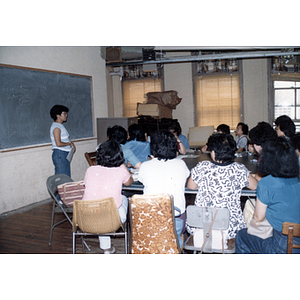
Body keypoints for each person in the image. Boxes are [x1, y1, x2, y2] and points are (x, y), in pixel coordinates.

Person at [186, 133, 258, 242]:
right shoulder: (239, 169)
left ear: (213, 153)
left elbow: (191, 187)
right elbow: (255, 186)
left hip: (201, 226)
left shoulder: (202, 166)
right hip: (230, 228)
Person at [235, 137, 300, 253]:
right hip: (297, 244)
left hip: (280, 246)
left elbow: (258, 217)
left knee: (241, 236)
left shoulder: (266, 183)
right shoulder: (296, 180)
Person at [138, 130, 190, 248]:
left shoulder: (145, 166)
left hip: (150, 219)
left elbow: (141, 179)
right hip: (176, 220)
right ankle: (177, 246)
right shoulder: (181, 164)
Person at [82, 140, 133, 254]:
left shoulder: (90, 170)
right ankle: (130, 235)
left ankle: (106, 249)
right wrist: (122, 165)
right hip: (112, 219)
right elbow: (129, 182)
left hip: (85, 217)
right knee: (123, 199)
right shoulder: (121, 171)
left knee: (101, 205)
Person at [50, 105, 76, 177]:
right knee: (62, 179)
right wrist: (69, 143)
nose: (66, 115)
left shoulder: (60, 126)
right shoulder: (56, 127)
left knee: (66, 178)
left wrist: (70, 146)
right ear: (58, 115)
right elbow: (58, 143)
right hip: (60, 154)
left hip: (64, 154)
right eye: (64, 114)